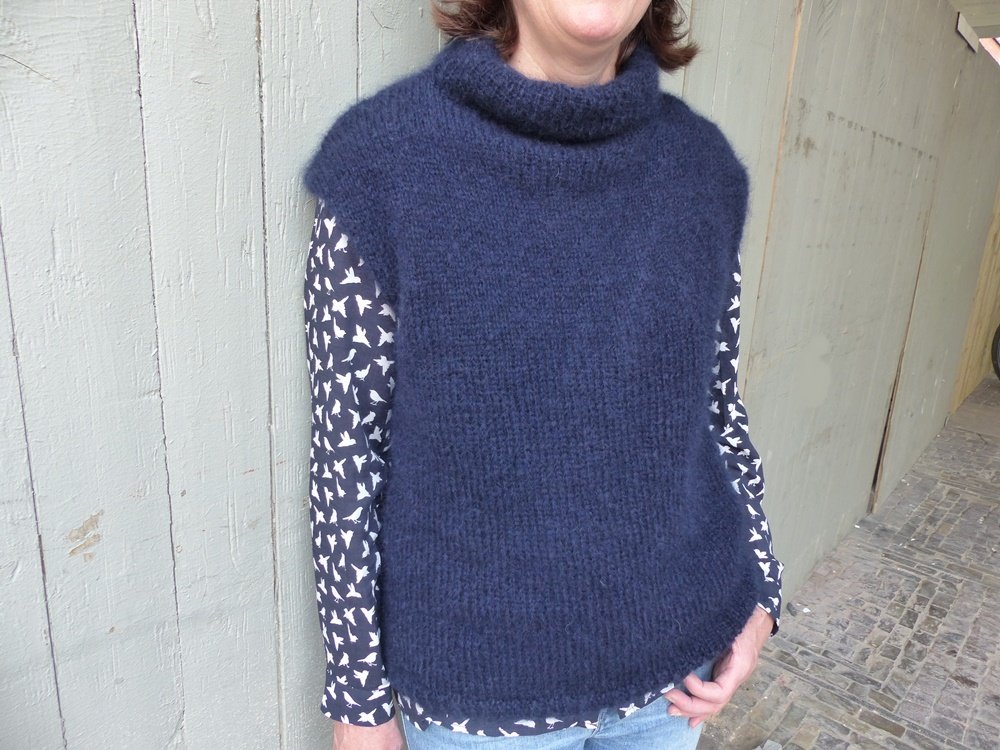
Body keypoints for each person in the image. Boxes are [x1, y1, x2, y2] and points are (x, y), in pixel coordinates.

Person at [301, 1, 783, 748]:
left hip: (674, 685)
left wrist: (760, 593)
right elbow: (347, 451)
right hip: (481, 710)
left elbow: (716, 409)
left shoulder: (704, 173)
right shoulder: (381, 166)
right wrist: (359, 703)